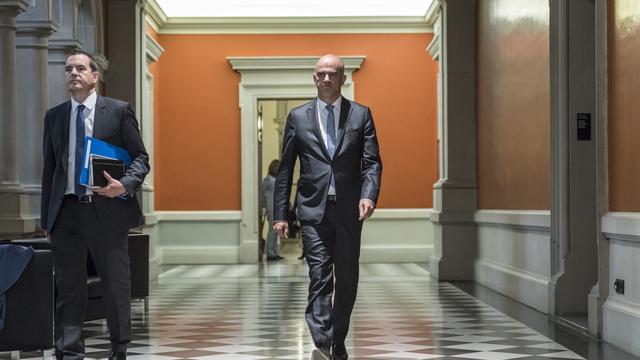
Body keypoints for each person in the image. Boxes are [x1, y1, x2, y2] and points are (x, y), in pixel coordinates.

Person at [41, 50, 149, 360]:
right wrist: (47, 220)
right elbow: (50, 171)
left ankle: (119, 350)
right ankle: (69, 353)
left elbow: (141, 158)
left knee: (116, 285)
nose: (73, 73)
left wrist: (124, 185)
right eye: (68, 69)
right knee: (69, 288)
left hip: (106, 209)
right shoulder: (55, 116)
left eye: (79, 68)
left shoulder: (117, 112)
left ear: (94, 75)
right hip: (66, 213)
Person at [273, 54, 382, 360]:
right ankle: (323, 341)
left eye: (331, 74)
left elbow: (372, 163)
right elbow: (285, 169)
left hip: (349, 211)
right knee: (320, 275)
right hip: (312, 211)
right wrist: (281, 213)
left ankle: (337, 340)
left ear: (342, 78)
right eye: (320, 74)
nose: (325, 79)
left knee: (346, 280)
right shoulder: (298, 117)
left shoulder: (360, 115)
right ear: (314, 78)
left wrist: (368, 195)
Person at [262, 159, 284, 261]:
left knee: (276, 230)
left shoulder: (275, 179)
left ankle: (274, 251)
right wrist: (263, 207)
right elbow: (262, 195)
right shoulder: (268, 180)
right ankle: (270, 252)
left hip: (276, 208)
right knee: (272, 231)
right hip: (271, 208)